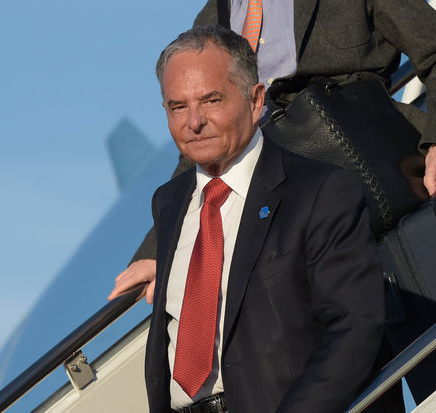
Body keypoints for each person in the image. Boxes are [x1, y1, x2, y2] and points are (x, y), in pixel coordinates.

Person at [109, 0, 436, 305]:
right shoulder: (211, 19)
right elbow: (201, 148)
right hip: (289, 226)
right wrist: (160, 248)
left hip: (381, 180)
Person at [140, 26, 397, 412]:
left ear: (256, 100)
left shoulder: (320, 192)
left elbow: (354, 327)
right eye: (178, 107)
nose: (193, 122)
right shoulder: (169, 202)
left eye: (211, 100)